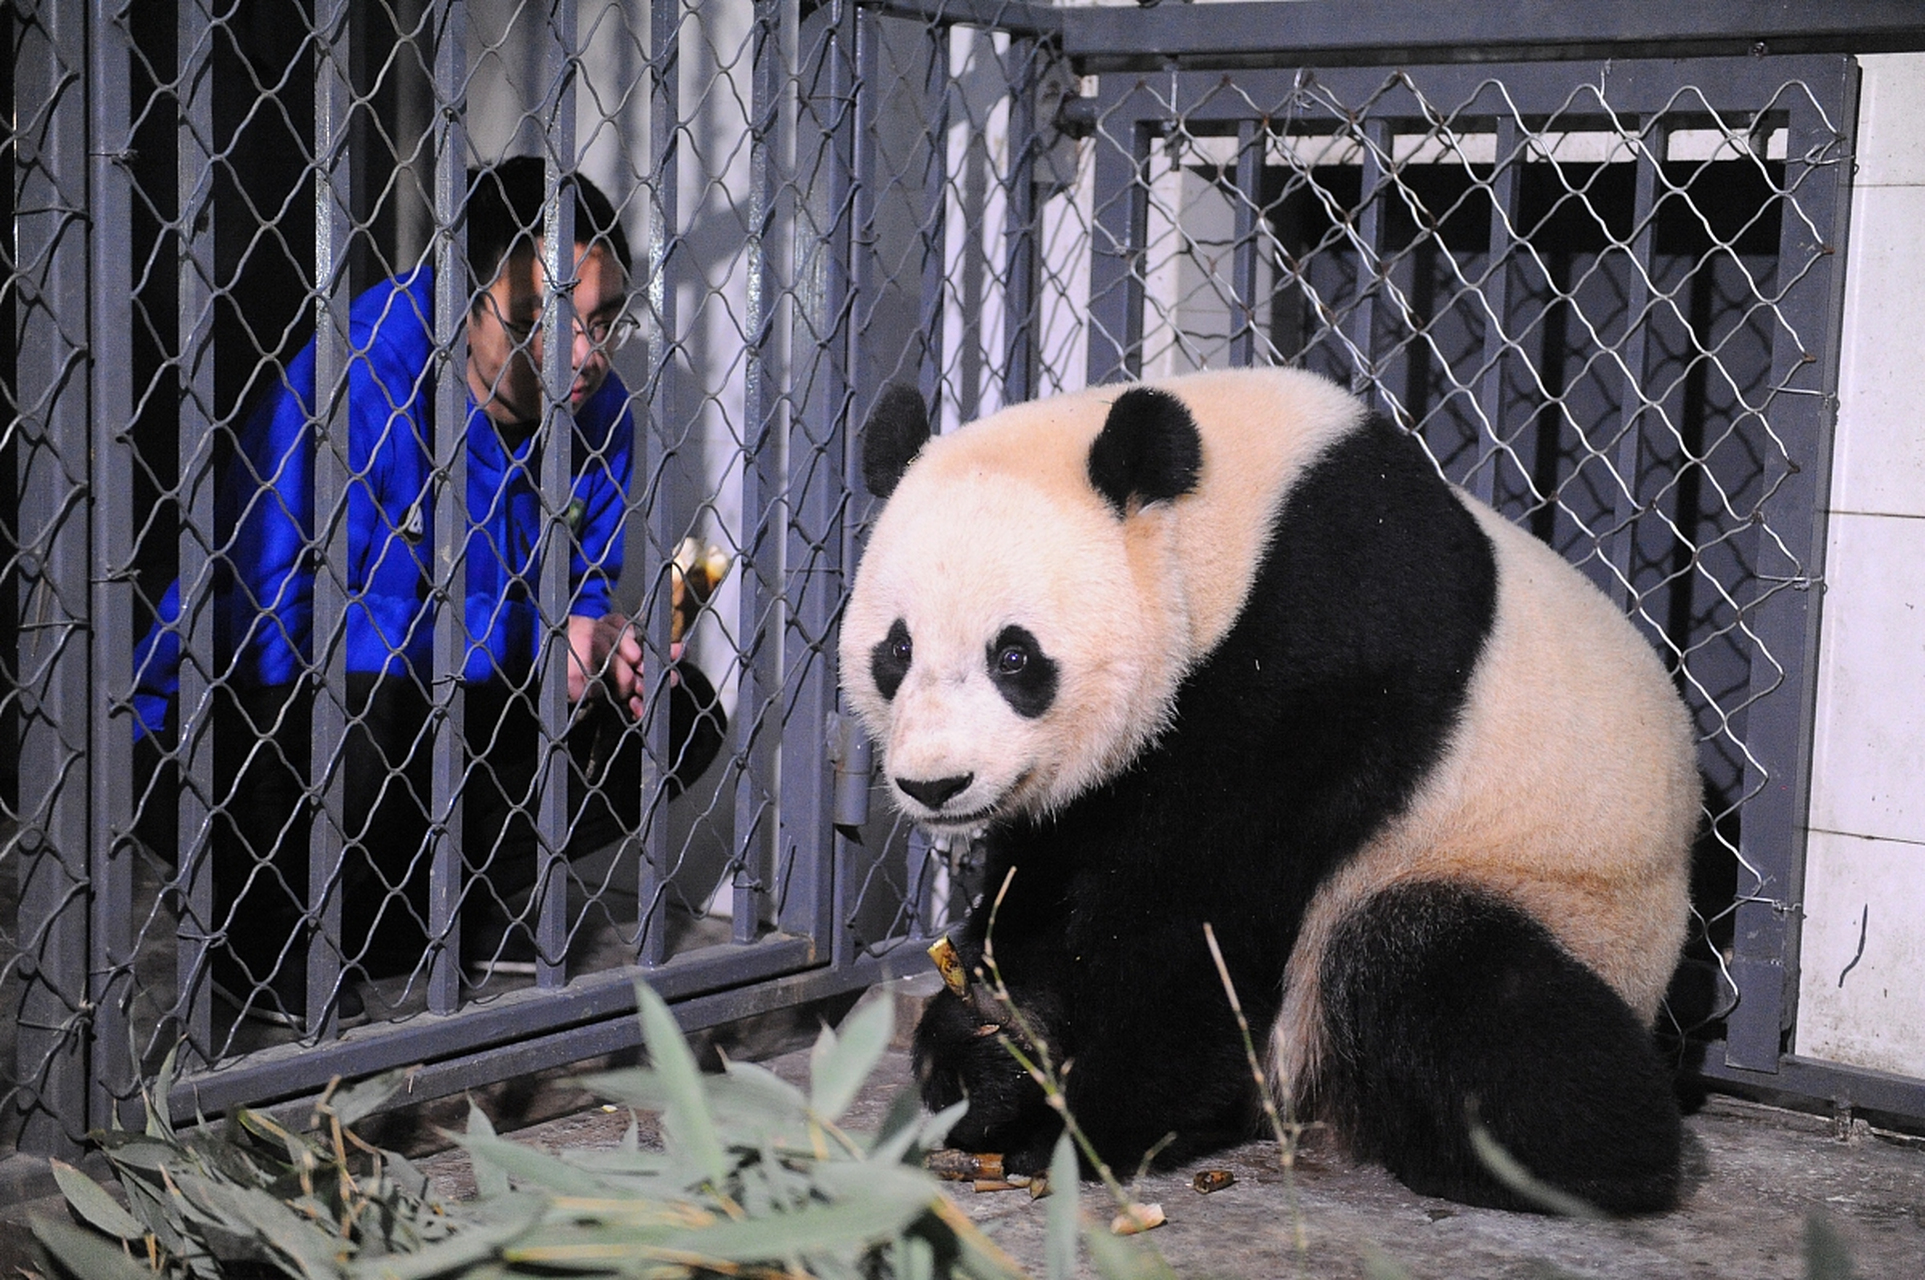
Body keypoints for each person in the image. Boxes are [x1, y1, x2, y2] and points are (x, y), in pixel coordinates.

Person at [132, 156, 724, 1027]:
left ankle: (435, 910)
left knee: (684, 713)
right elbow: (269, 624)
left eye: (603, 322)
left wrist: (606, 652)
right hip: (227, 731)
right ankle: (259, 934)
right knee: (377, 681)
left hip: (436, 718)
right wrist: (527, 645)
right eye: (540, 320)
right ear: (460, 300)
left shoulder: (602, 417)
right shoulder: (356, 378)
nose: (584, 357)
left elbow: (581, 597)